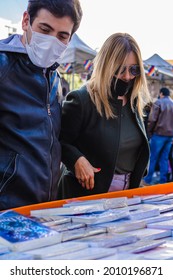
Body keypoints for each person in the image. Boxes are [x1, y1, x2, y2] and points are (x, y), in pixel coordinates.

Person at [0, 0, 83, 210]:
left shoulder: (53, 77)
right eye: (44, 29)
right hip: (7, 211)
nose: (51, 41)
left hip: (42, 209)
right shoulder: (3, 67)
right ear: (26, 20)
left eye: (62, 36)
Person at [57, 32, 151, 199]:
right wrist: (77, 159)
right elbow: (59, 140)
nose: (127, 76)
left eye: (134, 69)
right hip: (84, 196)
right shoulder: (81, 99)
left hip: (126, 195)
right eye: (120, 69)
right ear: (106, 65)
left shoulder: (134, 101)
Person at [143, 87, 173, 185]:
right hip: (169, 136)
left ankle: (147, 180)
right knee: (164, 158)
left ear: (161, 93)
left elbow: (152, 119)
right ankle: (163, 180)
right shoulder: (172, 103)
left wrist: (149, 132)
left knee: (153, 158)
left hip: (159, 134)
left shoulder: (158, 103)